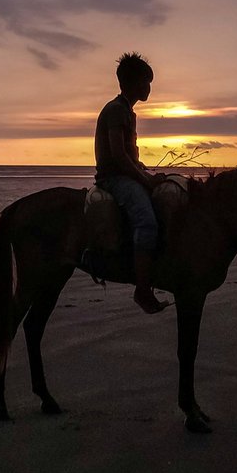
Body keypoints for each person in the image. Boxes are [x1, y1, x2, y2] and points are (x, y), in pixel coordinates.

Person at [94, 52, 169, 314]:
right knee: (146, 221)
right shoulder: (116, 110)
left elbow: (130, 157)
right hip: (113, 179)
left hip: (125, 174)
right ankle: (142, 289)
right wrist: (145, 181)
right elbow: (118, 156)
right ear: (134, 82)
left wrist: (147, 172)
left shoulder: (128, 111)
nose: (149, 87)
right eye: (146, 82)